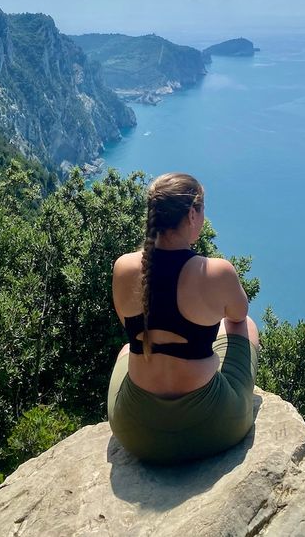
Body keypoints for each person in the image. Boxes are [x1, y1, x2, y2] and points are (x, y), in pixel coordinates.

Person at [107, 172, 259, 464]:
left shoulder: (124, 267)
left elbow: (128, 326)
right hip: (212, 429)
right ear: (192, 213)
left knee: (128, 348)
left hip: (135, 431)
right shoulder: (216, 272)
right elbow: (239, 315)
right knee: (244, 325)